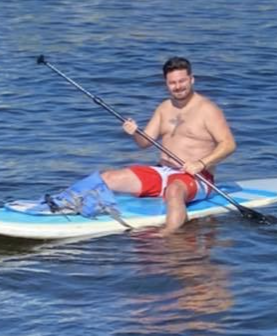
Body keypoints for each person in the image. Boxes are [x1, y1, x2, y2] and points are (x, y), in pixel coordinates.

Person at [101, 57, 236, 235]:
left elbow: (229, 144)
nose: (178, 86)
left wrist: (201, 164)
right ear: (166, 84)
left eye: (182, 81)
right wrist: (134, 132)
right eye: (172, 83)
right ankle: (63, 205)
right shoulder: (164, 108)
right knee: (107, 178)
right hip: (163, 172)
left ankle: (168, 236)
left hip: (197, 177)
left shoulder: (207, 110)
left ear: (192, 79)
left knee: (174, 190)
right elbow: (144, 143)